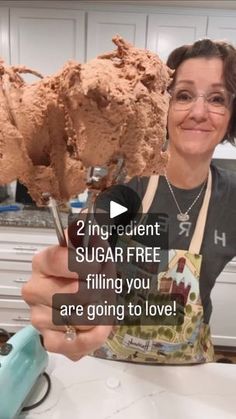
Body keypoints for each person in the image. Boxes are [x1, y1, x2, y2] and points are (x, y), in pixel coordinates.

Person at [22, 38, 236, 363]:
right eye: (183, 95)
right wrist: (66, 291)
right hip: (111, 365)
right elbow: (96, 233)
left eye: (217, 98)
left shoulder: (231, 198)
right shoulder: (126, 188)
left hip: (190, 368)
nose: (198, 112)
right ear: (161, 107)